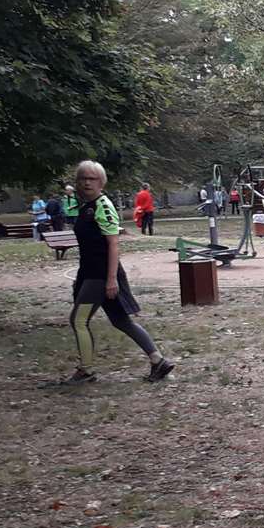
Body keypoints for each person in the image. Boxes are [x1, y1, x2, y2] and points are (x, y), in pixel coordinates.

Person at [65, 160, 176, 384]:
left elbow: (113, 244)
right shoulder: (86, 206)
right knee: (120, 320)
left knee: (78, 320)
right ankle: (158, 361)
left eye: (92, 178)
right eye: (83, 178)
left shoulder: (102, 206)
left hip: (101, 275)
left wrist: (111, 279)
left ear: (101, 182)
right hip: (90, 273)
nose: (87, 182)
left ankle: (85, 371)